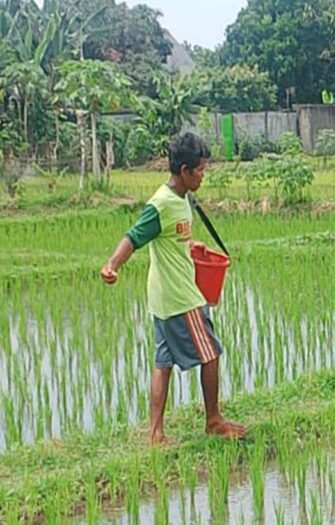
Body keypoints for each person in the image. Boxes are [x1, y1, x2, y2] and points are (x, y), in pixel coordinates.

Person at [100, 132, 246, 446]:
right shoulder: (161, 204)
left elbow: (171, 238)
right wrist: (112, 265)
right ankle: (214, 420)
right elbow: (133, 236)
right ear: (184, 170)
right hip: (181, 298)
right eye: (201, 170)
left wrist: (191, 244)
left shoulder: (180, 199)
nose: (204, 176)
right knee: (211, 355)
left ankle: (155, 434)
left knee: (162, 364)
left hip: (162, 298)